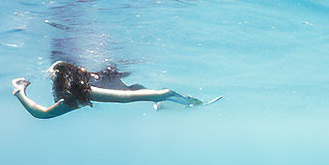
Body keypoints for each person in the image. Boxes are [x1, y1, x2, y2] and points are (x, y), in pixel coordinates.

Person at [12, 61, 213, 119]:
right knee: (136, 93)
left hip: (89, 92)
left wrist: (21, 92)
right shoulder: (81, 91)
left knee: (135, 91)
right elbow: (128, 97)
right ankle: (169, 101)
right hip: (90, 92)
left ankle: (163, 102)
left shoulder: (74, 94)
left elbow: (42, 114)